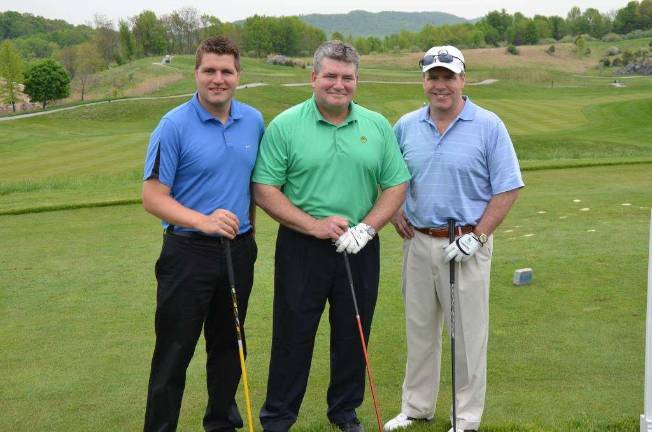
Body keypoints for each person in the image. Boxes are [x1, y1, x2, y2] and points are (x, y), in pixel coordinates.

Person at [253, 40, 411, 432]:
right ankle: (279, 417)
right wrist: (314, 226)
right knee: (293, 333)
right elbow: (265, 189)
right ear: (313, 77)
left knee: (353, 333)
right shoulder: (287, 125)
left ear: (357, 80)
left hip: (359, 246)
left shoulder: (375, 124)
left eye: (347, 77)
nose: (338, 84)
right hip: (301, 246)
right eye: (330, 76)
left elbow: (396, 185)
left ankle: (344, 411)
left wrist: (367, 228)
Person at [383, 45, 524, 432]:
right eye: (433, 77)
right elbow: (390, 178)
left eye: (449, 77)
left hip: (466, 244)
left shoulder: (489, 124)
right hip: (418, 242)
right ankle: (416, 407)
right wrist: (394, 211)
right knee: (419, 330)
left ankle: (465, 419)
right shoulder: (407, 125)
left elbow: (507, 187)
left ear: (463, 79)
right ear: (424, 81)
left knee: (467, 336)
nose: (440, 85)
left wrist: (478, 237)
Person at [141, 36, 264, 432]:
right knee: (174, 352)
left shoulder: (253, 121)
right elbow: (153, 197)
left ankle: (221, 424)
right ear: (195, 73)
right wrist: (203, 220)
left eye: (226, 71)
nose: (218, 78)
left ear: (238, 75)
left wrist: (249, 238)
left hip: (238, 251)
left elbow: (251, 187)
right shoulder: (173, 125)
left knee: (229, 348)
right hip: (187, 253)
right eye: (209, 70)